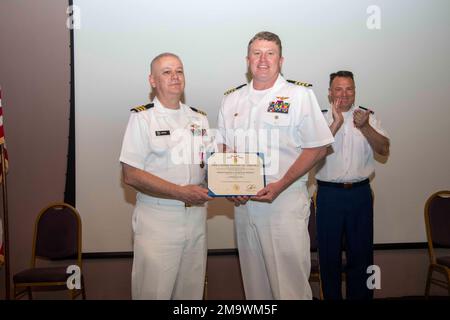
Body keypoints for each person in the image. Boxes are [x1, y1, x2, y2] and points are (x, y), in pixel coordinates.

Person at [217, 31, 334, 300]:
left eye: (270, 53)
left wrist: (280, 184)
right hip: (244, 205)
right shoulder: (231, 99)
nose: (263, 59)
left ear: (281, 60)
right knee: (255, 289)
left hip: (284, 203)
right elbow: (223, 146)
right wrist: (231, 185)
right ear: (247, 60)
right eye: (257, 53)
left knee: (289, 289)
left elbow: (318, 147)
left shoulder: (299, 95)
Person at [119, 53, 213, 299]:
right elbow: (130, 174)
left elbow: (209, 166)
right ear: (152, 80)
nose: (175, 77)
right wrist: (180, 192)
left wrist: (235, 178)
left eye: (179, 71)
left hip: (196, 218)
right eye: (167, 72)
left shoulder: (199, 118)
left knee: (190, 295)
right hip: (158, 219)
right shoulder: (142, 118)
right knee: (154, 292)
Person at [315, 71, 390, 300]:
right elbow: (314, 155)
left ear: (355, 91)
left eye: (349, 89)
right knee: (329, 258)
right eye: (338, 89)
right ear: (330, 92)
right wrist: (336, 124)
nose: (344, 94)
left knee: (362, 256)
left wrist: (366, 127)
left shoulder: (368, 117)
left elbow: (384, 149)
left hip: (359, 195)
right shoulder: (319, 118)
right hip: (329, 196)